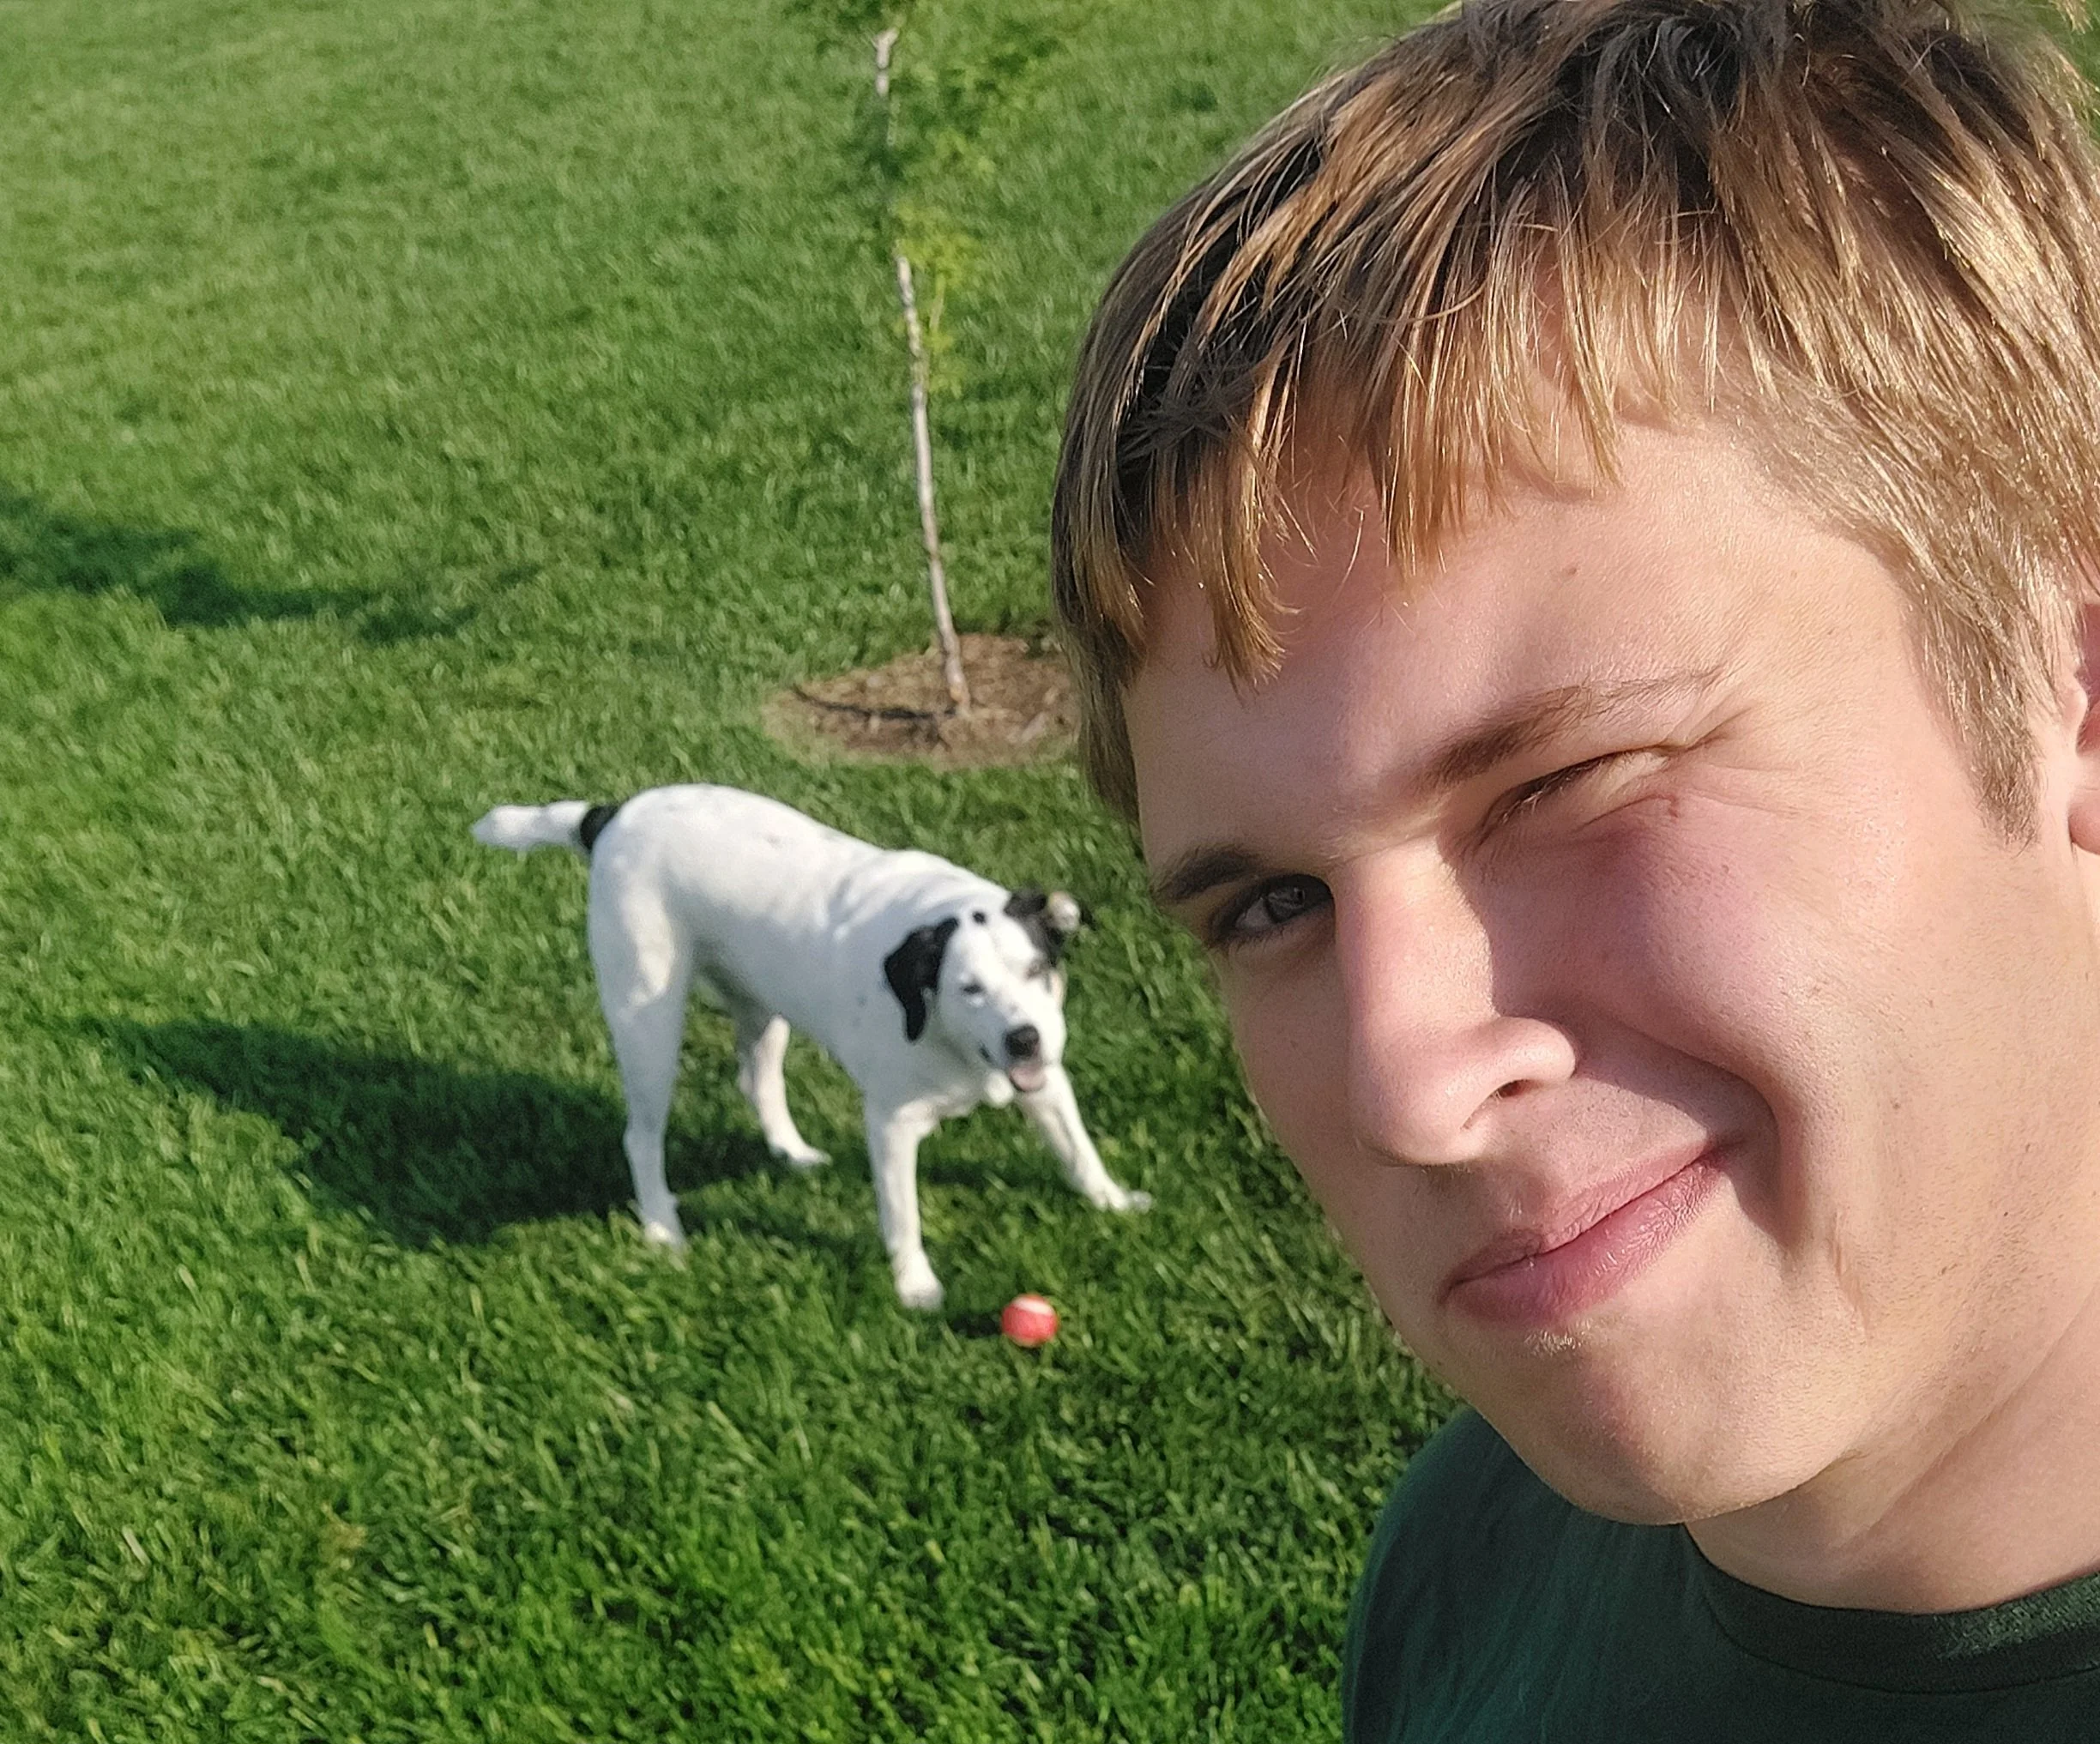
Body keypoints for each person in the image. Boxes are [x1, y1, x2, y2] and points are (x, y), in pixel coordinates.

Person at [1048, 0, 2100, 1734]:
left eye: (1566, 780)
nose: (1406, 1086)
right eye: (1273, 905)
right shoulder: (1469, 1567)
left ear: (2074, 685)